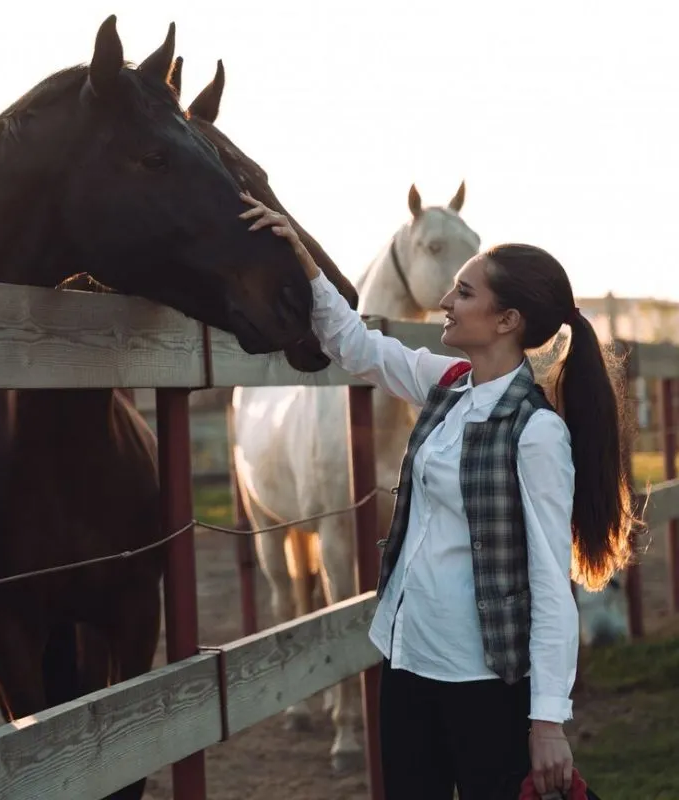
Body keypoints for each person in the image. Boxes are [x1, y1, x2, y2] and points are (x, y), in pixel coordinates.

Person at [238, 193, 636, 798]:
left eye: (465, 293)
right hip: (405, 660)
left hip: (481, 678)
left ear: (508, 321)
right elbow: (356, 344)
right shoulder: (447, 383)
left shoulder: (537, 432)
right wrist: (302, 255)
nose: (446, 302)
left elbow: (553, 583)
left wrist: (549, 720)